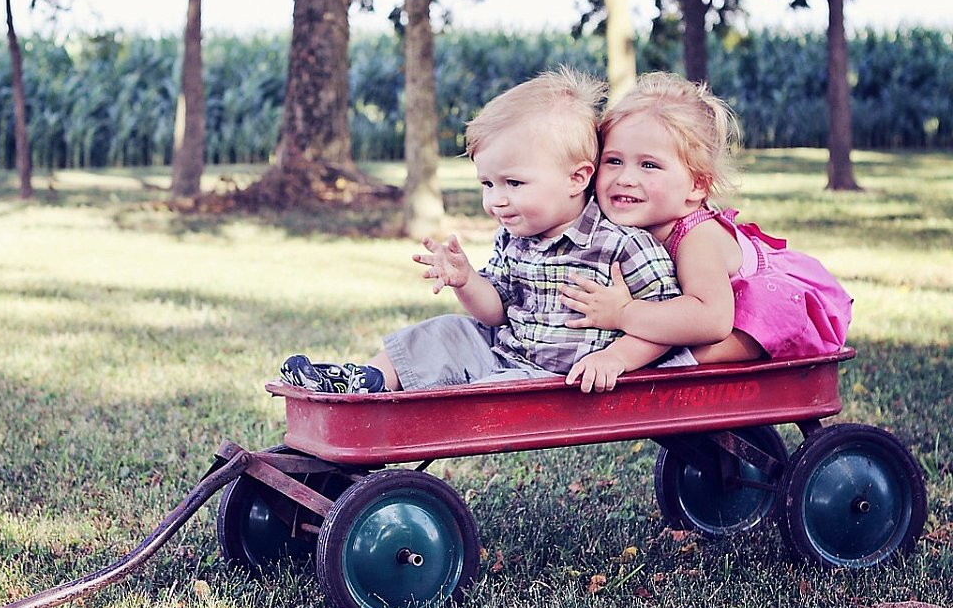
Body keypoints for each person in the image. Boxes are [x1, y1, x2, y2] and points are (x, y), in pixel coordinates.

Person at [279, 67, 688, 395]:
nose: (496, 200)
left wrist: (617, 358)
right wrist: (467, 281)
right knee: (446, 330)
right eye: (487, 184)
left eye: (514, 183)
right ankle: (364, 381)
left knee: (482, 396)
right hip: (504, 353)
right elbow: (495, 311)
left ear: (576, 178)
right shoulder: (514, 235)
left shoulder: (622, 245)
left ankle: (395, 406)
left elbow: (668, 325)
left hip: (555, 382)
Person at [561, 72, 852, 364]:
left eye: (649, 165)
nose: (625, 178)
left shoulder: (697, 239)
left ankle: (679, 364)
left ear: (697, 185)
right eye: (614, 161)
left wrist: (623, 314)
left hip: (774, 314)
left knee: (704, 339)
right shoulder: (625, 224)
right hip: (713, 310)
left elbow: (711, 320)